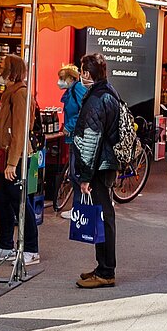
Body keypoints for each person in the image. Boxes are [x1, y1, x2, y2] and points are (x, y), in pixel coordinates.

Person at [70, 53, 125, 288]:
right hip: (106, 164)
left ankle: (105, 271)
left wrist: (85, 176)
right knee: (104, 216)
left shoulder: (96, 99)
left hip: (99, 166)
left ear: (86, 73)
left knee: (102, 217)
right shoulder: (109, 92)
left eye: (83, 70)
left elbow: (91, 139)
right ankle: (103, 266)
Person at [0, 54, 38, 266]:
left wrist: (12, 162)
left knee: (19, 202)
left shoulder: (20, 94)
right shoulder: (9, 93)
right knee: (3, 200)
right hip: (5, 155)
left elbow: (20, 131)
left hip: (15, 157)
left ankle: (31, 248)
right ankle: (5, 245)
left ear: (11, 71)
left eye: (2, 67)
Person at [49, 64, 87, 217]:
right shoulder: (72, 90)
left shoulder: (77, 89)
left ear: (71, 78)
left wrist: (69, 126)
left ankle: (80, 209)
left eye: (62, 78)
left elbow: (82, 111)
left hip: (78, 136)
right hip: (74, 137)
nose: (59, 82)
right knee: (74, 173)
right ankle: (78, 207)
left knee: (76, 173)